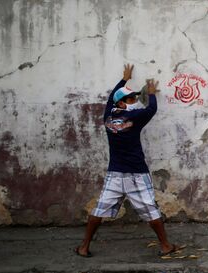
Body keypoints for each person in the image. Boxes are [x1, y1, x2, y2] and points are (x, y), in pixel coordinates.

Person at [75, 64, 178, 258]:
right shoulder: (134, 117)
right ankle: (165, 245)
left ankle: (84, 246)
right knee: (150, 208)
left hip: (115, 172)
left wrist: (124, 79)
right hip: (137, 173)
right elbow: (151, 109)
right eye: (131, 99)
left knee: (100, 208)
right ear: (122, 104)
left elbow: (110, 98)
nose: (134, 101)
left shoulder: (108, 116)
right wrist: (152, 93)